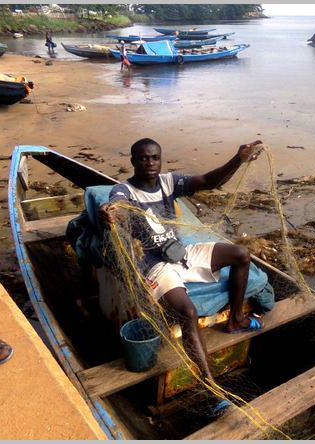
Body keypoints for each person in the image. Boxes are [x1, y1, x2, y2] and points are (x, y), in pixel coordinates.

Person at [99, 138, 262, 383]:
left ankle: (236, 320)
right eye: (143, 158)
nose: (150, 163)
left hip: (181, 253)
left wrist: (238, 159)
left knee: (241, 255)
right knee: (188, 312)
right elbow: (118, 206)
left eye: (155, 157)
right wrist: (109, 212)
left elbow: (209, 181)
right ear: (133, 161)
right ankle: (210, 384)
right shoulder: (124, 191)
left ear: (160, 159)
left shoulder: (169, 182)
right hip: (155, 265)